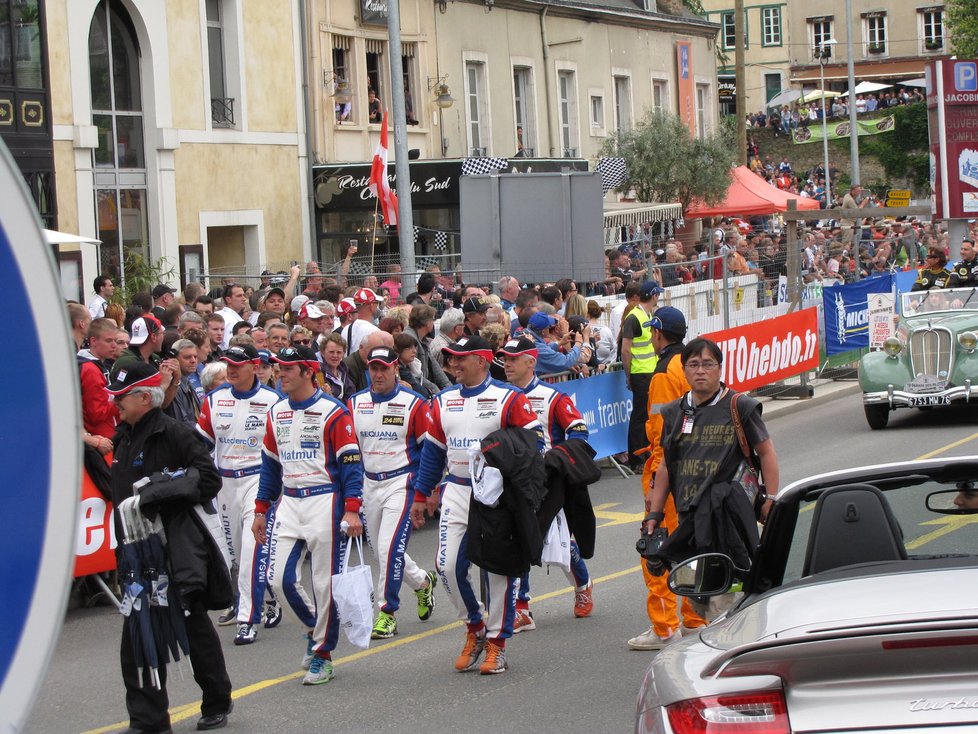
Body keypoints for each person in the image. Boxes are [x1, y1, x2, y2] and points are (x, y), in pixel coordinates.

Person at [107, 362, 233, 733]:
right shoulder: (122, 437)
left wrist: (157, 491)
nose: (115, 403)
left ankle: (216, 699)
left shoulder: (176, 433)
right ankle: (148, 719)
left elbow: (208, 480)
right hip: (134, 551)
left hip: (175, 546)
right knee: (138, 635)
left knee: (193, 627)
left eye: (122, 397)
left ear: (145, 398)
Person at [410, 335, 543, 675]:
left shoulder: (509, 398)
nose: (452, 364)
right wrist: (421, 496)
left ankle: (497, 644)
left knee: (499, 572)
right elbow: (433, 453)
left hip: (497, 496)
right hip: (456, 490)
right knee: (448, 567)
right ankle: (475, 628)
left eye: (460, 358)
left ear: (482, 361)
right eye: (451, 358)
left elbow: (534, 447)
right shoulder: (441, 400)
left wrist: (523, 494)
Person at [253, 345, 364, 686]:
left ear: (307, 371)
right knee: (277, 579)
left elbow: (350, 465)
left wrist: (352, 508)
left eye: (287, 368)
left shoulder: (334, 411)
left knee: (323, 583)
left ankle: (324, 655)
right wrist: (260, 508)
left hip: (324, 501)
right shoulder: (276, 412)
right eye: (278, 368)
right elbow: (270, 465)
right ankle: (314, 630)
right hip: (288, 501)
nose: (280, 374)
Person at [645, 338, 779, 619]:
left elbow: (766, 453)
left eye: (708, 364)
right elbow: (667, 467)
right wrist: (654, 514)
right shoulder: (674, 412)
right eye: (693, 364)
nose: (700, 371)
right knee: (701, 600)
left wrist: (771, 498)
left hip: (729, 518)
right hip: (690, 521)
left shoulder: (739, 406)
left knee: (725, 602)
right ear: (684, 370)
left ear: (720, 368)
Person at [498, 336, 594, 630]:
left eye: (513, 360)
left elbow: (579, 433)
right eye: (504, 359)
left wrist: (555, 459)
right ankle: (522, 607)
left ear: (531, 362)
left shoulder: (553, 397)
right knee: (520, 539)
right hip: (513, 481)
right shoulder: (499, 396)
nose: (507, 365)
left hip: (548, 482)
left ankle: (583, 583)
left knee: (556, 543)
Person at [628, 307, 708, 650]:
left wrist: (654, 489)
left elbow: (661, 433)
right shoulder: (693, 364)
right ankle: (695, 617)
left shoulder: (663, 373)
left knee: (656, 546)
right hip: (698, 468)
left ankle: (664, 627)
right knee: (693, 543)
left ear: (657, 333)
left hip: (670, 470)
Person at [347, 346, 437, 640]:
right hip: (369, 484)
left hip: (402, 483)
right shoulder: (355, 403)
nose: (378, 374)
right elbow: (347, 452)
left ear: (395, 368)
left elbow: (431, 450)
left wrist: (425, 492)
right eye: (373, 368)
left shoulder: (413, 402)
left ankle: (387, 614)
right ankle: (423, 583)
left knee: (387, 550)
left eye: (384, 368)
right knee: (383, 552)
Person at [197, 344, 284, 645]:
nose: (231, 369)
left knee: (250, 549)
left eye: (238, 364)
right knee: (235, 556)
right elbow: (202, 445)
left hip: (259, 482)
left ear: (255, 366)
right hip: (225, 485)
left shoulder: (273, 400)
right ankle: (269, 597)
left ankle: (248, 619)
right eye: (227, 364)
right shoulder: (214, 399)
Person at [621, 281, 661, 470]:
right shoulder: (634, 317)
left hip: (650, 371)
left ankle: (646, 451)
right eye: (657, 294)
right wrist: (628, 375)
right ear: (653, 295)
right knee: (639, 415)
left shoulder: (649, 315)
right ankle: (635, 458)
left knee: (648, 414)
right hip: (639, 373)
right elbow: (625, 350)